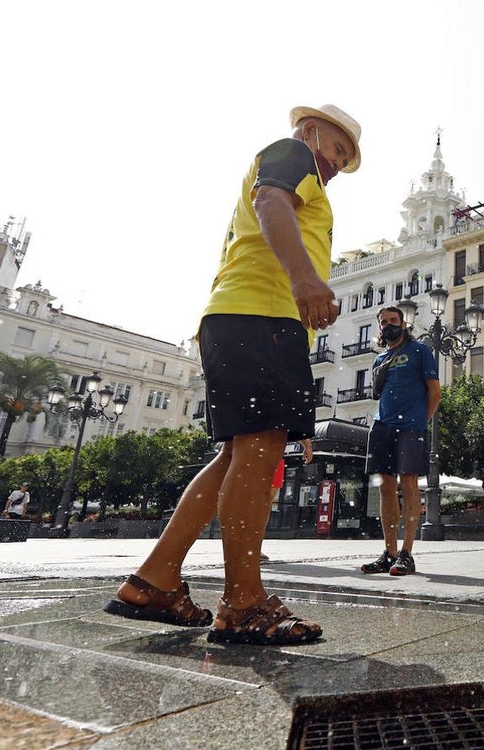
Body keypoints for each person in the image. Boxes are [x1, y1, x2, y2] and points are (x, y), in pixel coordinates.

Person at [103, 104, 362, 646]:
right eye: (335, 148)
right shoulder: (291, 154)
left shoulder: (301, 171)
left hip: (240, 315)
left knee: (236, 456)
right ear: (310, 130)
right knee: (260, 448)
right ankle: (243, 602)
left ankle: (155, 578)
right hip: (262, 314)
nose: (337, 162)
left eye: (345, 156)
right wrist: (304, 280)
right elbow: (270, 203)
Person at [360, 306, 440, 576]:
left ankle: (407, 553)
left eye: (394, 320)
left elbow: (434, 392)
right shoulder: (379, 358)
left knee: (408, 484)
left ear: (404, 324)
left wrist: (420, 421)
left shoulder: (420, 351)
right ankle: (389, 552)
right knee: (385, 487)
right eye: (384, 322)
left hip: (411, 426)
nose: (388, 325)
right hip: (382, 425)